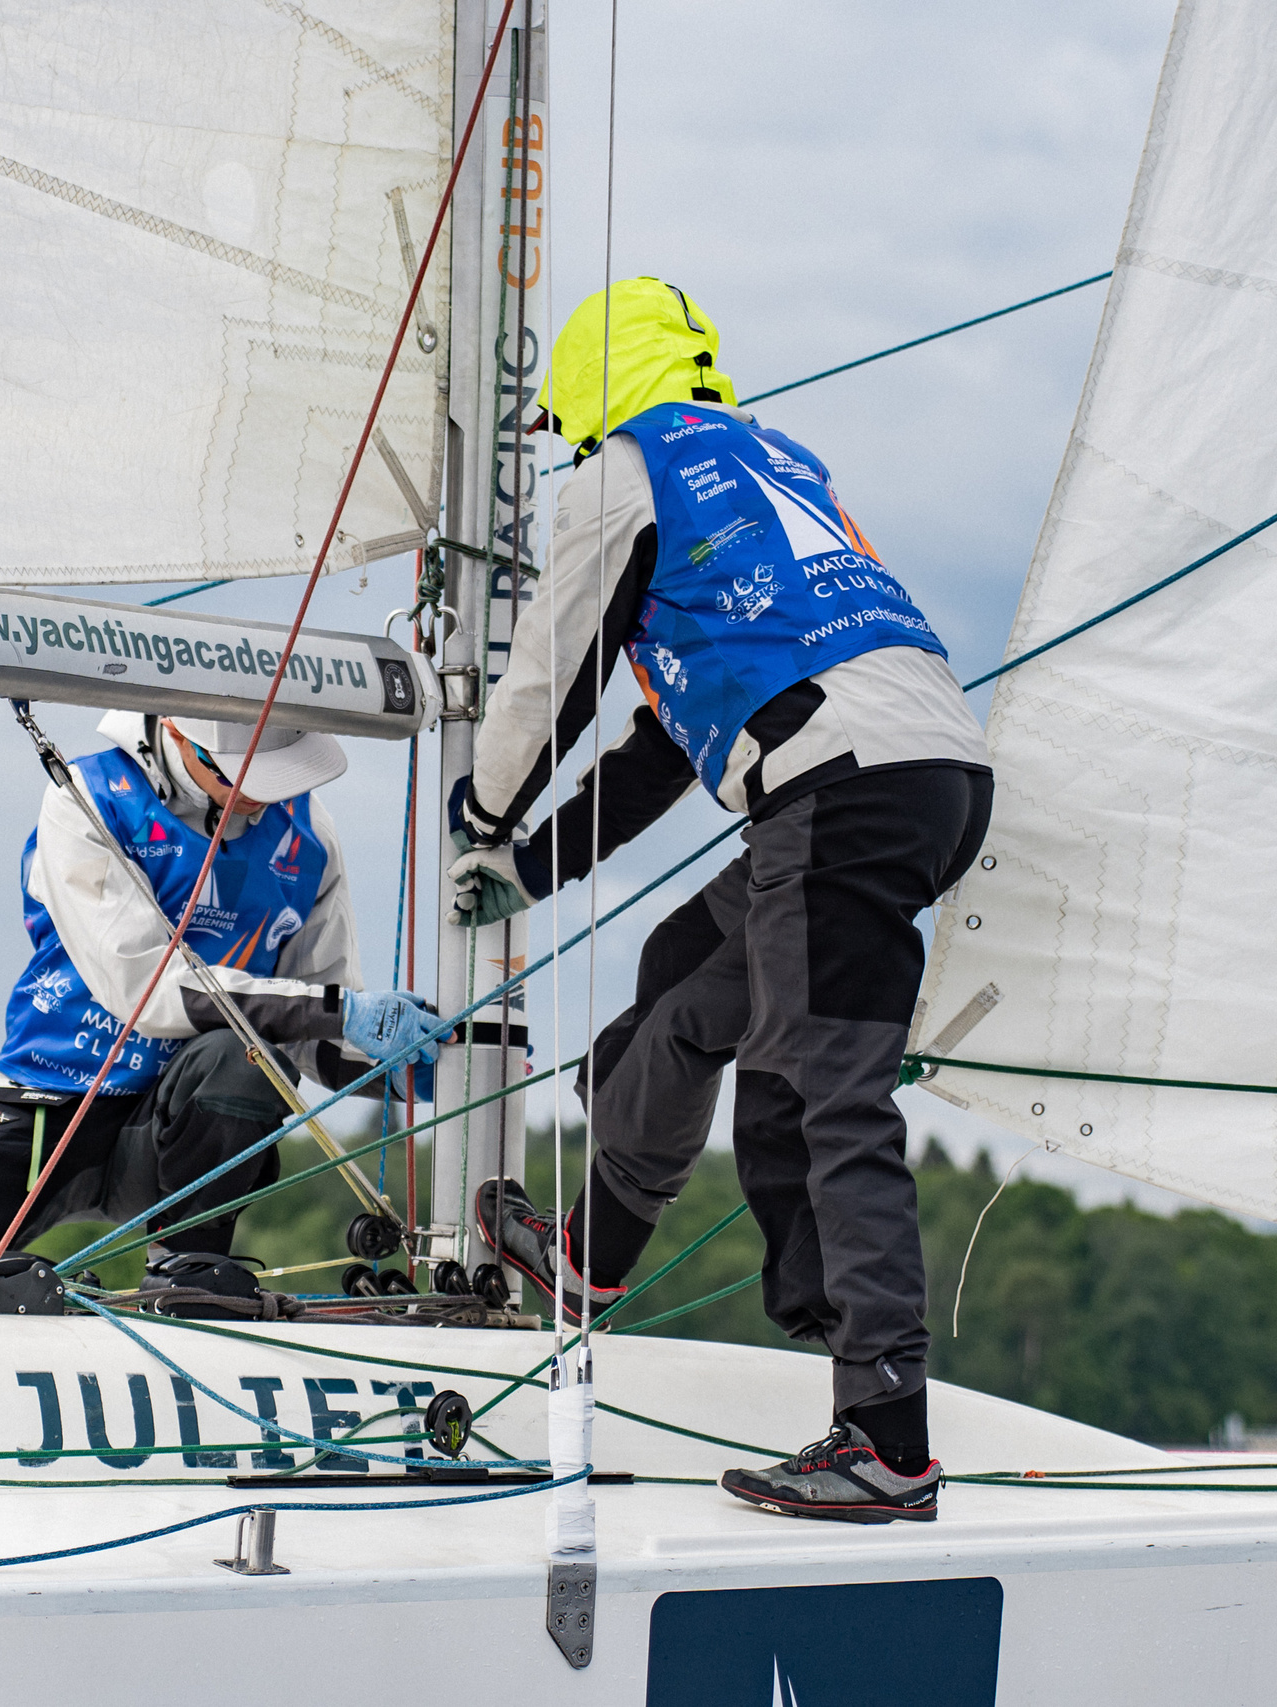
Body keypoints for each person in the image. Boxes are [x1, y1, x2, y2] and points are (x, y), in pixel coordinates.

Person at [447, 278, 991, 1523]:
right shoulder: (770, 462)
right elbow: (651, 750)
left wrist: (482, 815)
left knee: (823, 1098)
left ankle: (885, 1440)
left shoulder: (622, 476)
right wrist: (528, 872)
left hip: (834, 792)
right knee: (685, 982)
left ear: (590, 396)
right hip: (924, 776)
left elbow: (550, 674)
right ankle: (586, 1262)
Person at [0, 713, 440, 1306]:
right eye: (242, 778)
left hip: (187, 1125)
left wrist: (417, 1069)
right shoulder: (87, 799)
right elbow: (145, 986)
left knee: (245, 1055)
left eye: (279, 780)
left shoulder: (309, 838)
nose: (261, 799)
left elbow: (317, 1028)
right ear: (176, 735)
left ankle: (188, 1275)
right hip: (51, 1104)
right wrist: (338, 1012)